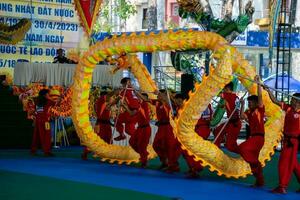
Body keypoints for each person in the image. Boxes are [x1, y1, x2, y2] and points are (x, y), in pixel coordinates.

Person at [264, 88, 300, 193]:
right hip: (287, 140)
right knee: (293, 164)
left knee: (284, 163)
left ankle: (282, 186)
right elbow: (275, 101)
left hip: (292, 141)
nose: (291, 101)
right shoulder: (288, 108)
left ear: (298, 101)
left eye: (293, 100)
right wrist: (268, 90)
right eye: (292, 100)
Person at [240, 75, 265, 187]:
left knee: (242, 148)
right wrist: (241, 105)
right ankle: (259, 181)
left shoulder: (260, 109)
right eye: (248, 102)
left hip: (258, 138)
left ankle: (257, 163)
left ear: (255, 103)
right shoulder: (249, 112)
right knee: (251, 163)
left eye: (250, 102)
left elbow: (260, 96)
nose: (249, 104)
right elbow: (241, 116)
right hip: (253, 137)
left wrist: (259, 84)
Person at [151, 90, 180, 173]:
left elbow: (168, 102)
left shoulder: (170, 103)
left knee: (170, 146)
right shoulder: (157, 103)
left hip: (169, 127)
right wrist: (135, 91)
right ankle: (165, 162)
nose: (158, 96)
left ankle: (173, 165)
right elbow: (145, 98)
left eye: (160, 94)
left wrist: (161, 94)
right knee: (156, 145)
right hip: (161, 127)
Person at [123, 92, 151, 168]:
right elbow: (132, 113)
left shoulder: (145, 104)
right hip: (139, 128)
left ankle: (144, 161)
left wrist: (133, 89)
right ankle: (144, 155)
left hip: (145, 128)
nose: (139, 98)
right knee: (131, 142)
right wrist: (125, 106)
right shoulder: (139, 105)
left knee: (142, 146)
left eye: (141, 97)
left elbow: (144, 99)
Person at [185, 104, 213, 178]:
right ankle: (193, 168)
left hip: (201, 129)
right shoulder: (207, 105)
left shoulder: (201, 103)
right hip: (201, 128)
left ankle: (196, 169)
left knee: (194, 150)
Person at [82, 91, 112, 160]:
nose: (110, 98)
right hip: (101, 124)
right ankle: (86, 152)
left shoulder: (104, 103)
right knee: (97, 141)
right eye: (108, 96)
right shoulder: (102, 101)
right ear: (104, 96)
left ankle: (105, 155)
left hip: (105, 124)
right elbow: (101, 114)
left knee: (107, 140)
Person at [213, 82, 241, 153]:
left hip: (235, 123)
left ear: (227, 89)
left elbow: (217, 94)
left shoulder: (228, 95)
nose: (223, 90)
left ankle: (241, 153)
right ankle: (217, 147)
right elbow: (230, 106)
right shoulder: (234, 97)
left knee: (230, 145)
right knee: (217, 130)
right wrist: (222, 106)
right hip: (231, 122)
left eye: (224, 89)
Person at [31, 89, 56, 156]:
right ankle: (47, 151)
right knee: (46, 136)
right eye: (48, 94)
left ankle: (33, 150)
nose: (49, 95)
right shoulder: (48, 101)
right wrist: (61, 97)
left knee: (36, 136)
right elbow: (56, 104)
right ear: (45, 95)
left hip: (37, 121)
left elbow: (35, 111)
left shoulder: (36, 100)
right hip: (45, 121)